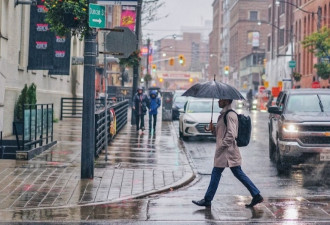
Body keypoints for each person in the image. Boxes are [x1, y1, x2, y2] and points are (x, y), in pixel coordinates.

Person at [192, 99, 263, 208]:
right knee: (234, 173)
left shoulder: (230, 115)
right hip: (225, 151)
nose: (218, 101)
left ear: (226, 101)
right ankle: (256, 195)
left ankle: (207, 200)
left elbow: (231, 134)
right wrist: (212, 130)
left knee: (219, 173)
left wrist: (222, 146)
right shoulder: (223, 115)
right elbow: (221, 133)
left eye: (221, 99)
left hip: (227, 152)